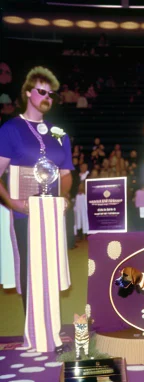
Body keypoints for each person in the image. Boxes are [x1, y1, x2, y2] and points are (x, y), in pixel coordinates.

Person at [0, 66, 73, 315]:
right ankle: (33, 328)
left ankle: (51, 326)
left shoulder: (60, 134)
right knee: (30, 268)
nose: (47, 98)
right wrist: (13, 203)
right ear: (28, 92)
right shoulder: (10, 130)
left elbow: (66, 175)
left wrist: (63, 197)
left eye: (51, 94)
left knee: (52, 267)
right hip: (24, 213)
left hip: (52, 212)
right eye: (42, 91)